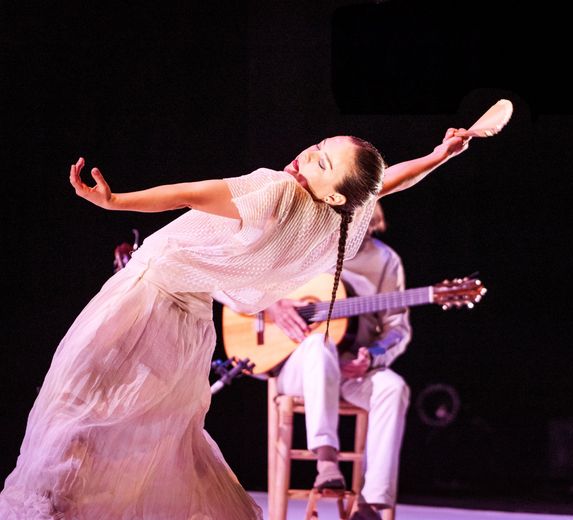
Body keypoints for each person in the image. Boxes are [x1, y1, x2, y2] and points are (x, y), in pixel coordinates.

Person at [0, 129, 470, 519]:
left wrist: (115, 201)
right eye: (319, 147)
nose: (308, 155)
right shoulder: (341, 215)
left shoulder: (280, 191)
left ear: (332, 191)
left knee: (78, 408)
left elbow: (190, 193)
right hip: (191, 323)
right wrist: (437, 156)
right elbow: (389, 181)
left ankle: (53, 508)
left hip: (145, 297)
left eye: (322, 163)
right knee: (165, 435)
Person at [264, 201, 409, 520]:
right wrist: (272, 306)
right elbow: (247, 283)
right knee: (319, 344)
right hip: (298, 366)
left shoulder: (385, 261)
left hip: (352, 370)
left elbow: (398, 330)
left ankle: (370, 505)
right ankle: (326, 461)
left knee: (393, 387)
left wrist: (372, 356)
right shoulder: (304, 247)